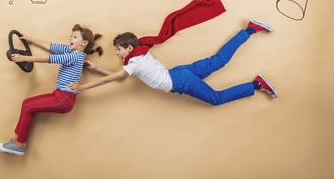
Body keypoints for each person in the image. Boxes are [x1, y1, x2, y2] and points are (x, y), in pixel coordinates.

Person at [67, 19, 278, 105]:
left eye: (119, 50)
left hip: (180, 80)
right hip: (179, 74)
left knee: (216, 99)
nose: (117, 54)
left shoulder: (134, 63)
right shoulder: (139, 54)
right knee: (218, 61)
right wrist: (94, 67)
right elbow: (118, 75)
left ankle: (257, 84)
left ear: (129, 48)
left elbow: (113, 79)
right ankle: (250, 29)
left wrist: (82, 87)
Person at [0, 24, 102, 156]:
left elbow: (50, 59)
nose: (71, 38)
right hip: (59, 95)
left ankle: (19, 145)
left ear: (84, 42)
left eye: (75, 37)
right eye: (71, 36)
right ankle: (16, 142)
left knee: (29, 108)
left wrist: (24, 58)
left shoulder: (77, 56)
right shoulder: (69, 50)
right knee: (27, 103)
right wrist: (29, 39)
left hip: (64, 98)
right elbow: (51, 47)